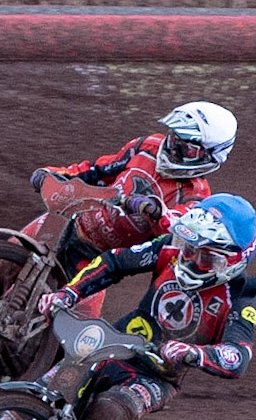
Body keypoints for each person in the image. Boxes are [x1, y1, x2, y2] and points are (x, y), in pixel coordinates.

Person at [32, 192, 256, 420]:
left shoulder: (241, 299)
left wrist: (194, 353)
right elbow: (114, 262)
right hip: (111, 345)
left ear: (234, 259)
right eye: (189, 246)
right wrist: (69, 293)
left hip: (155, 376)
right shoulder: (169, 249)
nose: (190, 257)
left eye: (205, 255)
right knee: (34, 399)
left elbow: (238, 356)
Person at [27, 100, 238, 316]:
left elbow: (176, 230)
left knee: (76, 329)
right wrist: (53, 174)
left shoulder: (196, 196)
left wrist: (155, 210)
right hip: (70, 220)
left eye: (186, 148)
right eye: (174, 137)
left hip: (97, 259)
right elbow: (98, 170)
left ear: (210, 156)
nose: (173, 148)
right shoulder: (148, 147)